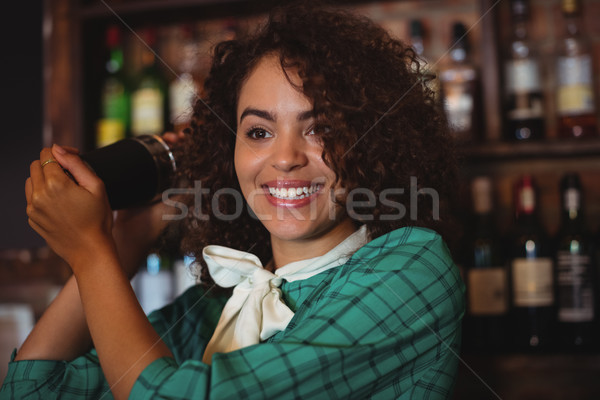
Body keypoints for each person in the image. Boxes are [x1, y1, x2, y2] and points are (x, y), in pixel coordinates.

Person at [1, 3, 464, 399]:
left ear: (374, 141)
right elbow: (37, 388)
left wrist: (90, 249)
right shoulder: (226, 303)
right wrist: (135, 231)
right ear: (231, 151)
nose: (284, 159)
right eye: (258, 132)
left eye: (320, 129)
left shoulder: (412, 267)